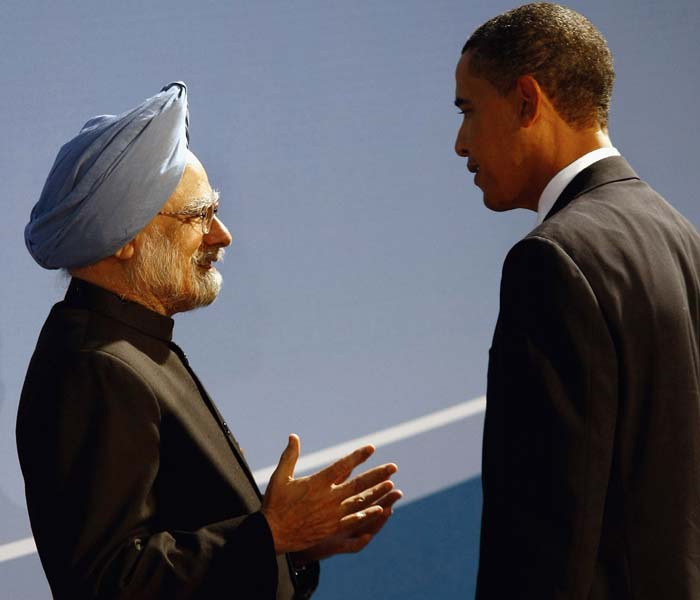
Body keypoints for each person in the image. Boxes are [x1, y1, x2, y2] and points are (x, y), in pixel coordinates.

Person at [17, 82, 401, 600]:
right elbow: (107, 582)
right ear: (126, 239)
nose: (222, 235)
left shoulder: (132, 349)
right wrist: (272, 533)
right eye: (199, 215)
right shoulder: (99, 367)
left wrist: (293, 549)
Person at [454, 4, 700, 599]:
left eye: (467, 110)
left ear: (526, 102)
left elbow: (543, 530)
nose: (461, 143)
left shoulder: (551, 261)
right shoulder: (679, 235)